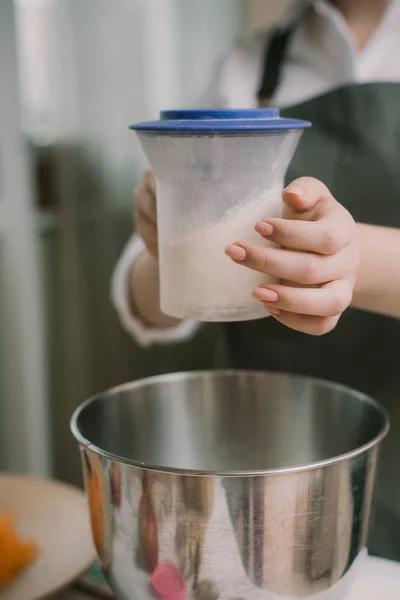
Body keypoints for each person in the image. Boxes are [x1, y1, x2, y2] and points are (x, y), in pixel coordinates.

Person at [112, 0, 400, 561]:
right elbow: (143, 302)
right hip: (265, 462)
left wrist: (353, 259)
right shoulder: (251, 65)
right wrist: (167, 242)